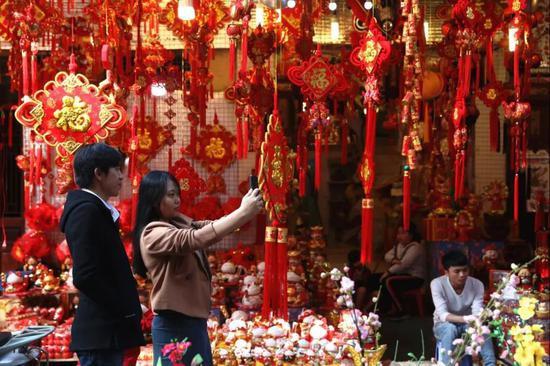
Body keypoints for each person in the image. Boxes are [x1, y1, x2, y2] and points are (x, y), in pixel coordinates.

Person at [133, 171, 263, 366]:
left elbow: (211, 228)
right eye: (170, 195)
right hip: (174, 323)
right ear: (153, 198)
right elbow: (198, 238)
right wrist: (243, 212)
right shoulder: (152, 233)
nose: (177, 200)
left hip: (193, 321)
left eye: (177, 194)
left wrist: (243, 211)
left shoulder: (178, 222)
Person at [60, 143, 145, 366]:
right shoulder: (86, 211)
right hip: (102, 334)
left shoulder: (95, 209)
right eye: (116, 169)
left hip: (106, 332)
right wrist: (124, 308)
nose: (121, 176)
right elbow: (85, 275)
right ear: (99, 173)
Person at [431, 250, 496, 365]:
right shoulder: (437, 284)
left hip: (468, 324)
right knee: (450, 329)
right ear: (446, 272)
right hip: (443, 325)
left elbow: (477, 312)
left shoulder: (477, 284)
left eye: (465, 270)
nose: (462, 274)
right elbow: (443, 315)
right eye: (457, 271)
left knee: (483, 329)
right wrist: (466, 319)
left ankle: (490, 364)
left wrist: (474, 321)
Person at [364, 223, 426, 318]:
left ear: (411, 235)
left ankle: (401, 310)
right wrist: (393, 260)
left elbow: (404, 264)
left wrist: (388, 272)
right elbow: (387, 256)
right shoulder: (399, 246)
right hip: (401, 274)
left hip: (414, 278)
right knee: (374, 278)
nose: (399, 236)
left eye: (403, 233)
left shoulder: (415, 247)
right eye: (398, 233)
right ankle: (378, 306)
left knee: (388, 281)